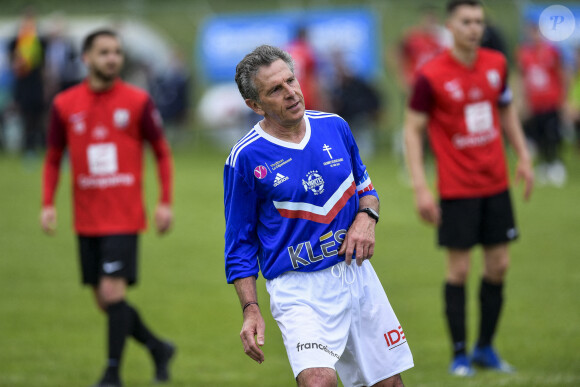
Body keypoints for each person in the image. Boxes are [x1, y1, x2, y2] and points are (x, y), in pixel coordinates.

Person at [224, 44, 413, 387]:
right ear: (255, 105)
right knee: (317, 382)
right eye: (275, 90)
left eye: (291, 80)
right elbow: (238, 245)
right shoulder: (245, 157)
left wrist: (366, 220)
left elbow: (367, 191)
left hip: (356, 275)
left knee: (389, 384)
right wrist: (250, 309)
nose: (291, 93)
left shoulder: (335, 127)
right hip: (298, 289)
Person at [403, 0, 533, 377]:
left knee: (499, 265)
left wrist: (523, 155)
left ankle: (485, 348)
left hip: (496, 182)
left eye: (479, 21)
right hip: (457, 188)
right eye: (466, 21)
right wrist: (420, 187)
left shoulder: (496, 64)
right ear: (450, 25)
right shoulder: (430, 75)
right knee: (458, 270)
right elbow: (412, 130)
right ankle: (459, 353)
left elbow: (505, 110)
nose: (474, 28)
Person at [40, 29, 175, 387]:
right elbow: (53, 157)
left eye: (116, 52)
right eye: (104, 52)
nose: (112, 58)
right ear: (86, 58)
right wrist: (47, 204)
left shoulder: (137, 101)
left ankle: (112, 372)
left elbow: (161, 151)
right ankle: (158, 347)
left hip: (123, 215)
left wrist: (164, 202)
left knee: (114, 294)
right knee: (105, 302)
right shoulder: (64, 105)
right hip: (86, 219)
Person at [517, 23, 567, 186]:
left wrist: (563, 99)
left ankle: (556, 164)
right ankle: (544, 165)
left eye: (535, 33)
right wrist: (524, 102)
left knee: (552, 134)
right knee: (538, 136)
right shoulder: (524, 54)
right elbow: (523, 79)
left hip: (551, 102)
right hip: (535, 104)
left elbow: (561, 74)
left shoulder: (552, 51)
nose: (532, 36)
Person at [9, 6, 47, 155]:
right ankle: (28, 148)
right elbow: (11, 63)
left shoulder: (40, 41)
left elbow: (45, 65)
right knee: (26, 116)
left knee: (39, 116)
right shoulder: (16, 41)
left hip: (36, 83)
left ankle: (39, 145)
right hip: (22, 83)